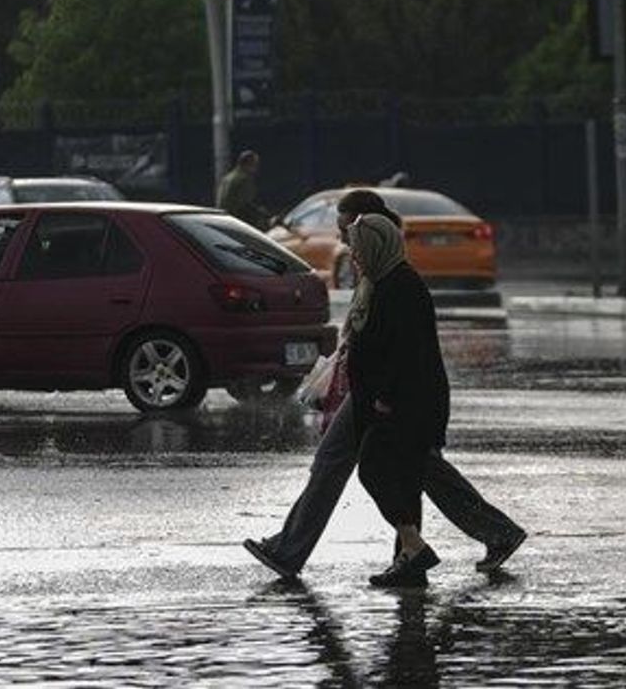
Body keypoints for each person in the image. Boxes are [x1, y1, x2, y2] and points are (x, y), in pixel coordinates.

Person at [243, 189, 525, 582]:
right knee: (416, 470)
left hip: (388, 395)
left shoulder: (395, 279)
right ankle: (468, 541)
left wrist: (382, 398)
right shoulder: (375, 270)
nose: (343, 241)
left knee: (359, 466)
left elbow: (403, 352)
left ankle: (297, 551)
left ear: (366, 227)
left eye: (347, 231)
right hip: (377, 391)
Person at [346, 212, 446, 586]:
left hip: (404, 405)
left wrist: (385, 397)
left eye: (358, 246)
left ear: (376, 246)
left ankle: (413, 546)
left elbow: (408, 352)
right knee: (405, 482)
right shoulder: (377, 282)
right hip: (390, 403)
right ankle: (409, 564)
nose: (353, 254)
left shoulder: (401, 286)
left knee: (374, 469)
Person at [216, 150, 272, 230]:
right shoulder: (244, 179)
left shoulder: (227, 178)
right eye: (255, 164)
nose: (256, 167)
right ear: (248, 164)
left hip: (225, 218)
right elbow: (245, 204)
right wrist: (261, 213)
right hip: (240, 221)